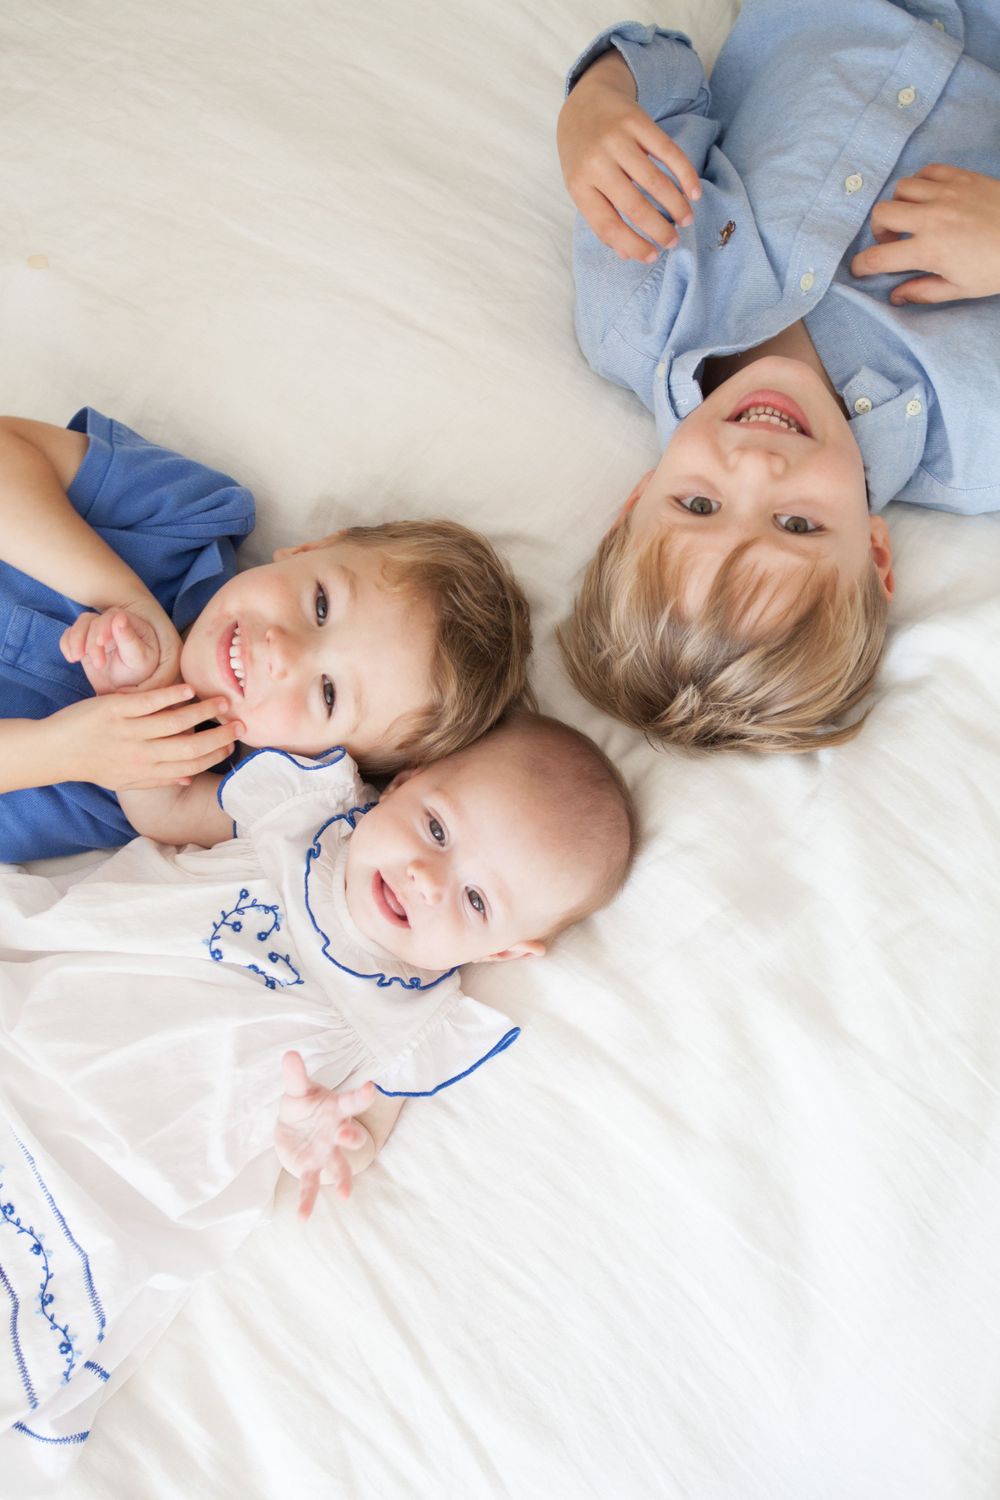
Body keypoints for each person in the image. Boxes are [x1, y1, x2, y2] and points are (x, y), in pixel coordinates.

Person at [0, 710, 636, 1477]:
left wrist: (319, 1134)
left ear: (504, 952)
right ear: (403, 783)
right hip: (38, 1021)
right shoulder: (300, 812)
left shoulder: (409, 1024)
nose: (426, 878)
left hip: (119, 1173)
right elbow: (164, 813)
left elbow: (356, 1139)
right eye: (436, 829)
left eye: (475, 901)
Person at [555, 2, 1000, 751]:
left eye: (699, 504)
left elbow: (663, 70)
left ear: (636, 501)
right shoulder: (978, 441)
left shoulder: (635, 307)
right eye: (797, 525)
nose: (758, 467)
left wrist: (593, 109)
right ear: (876, 557)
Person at [0, 409, 532, 860]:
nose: (284, 652)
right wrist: (121, 595)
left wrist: (69, 751)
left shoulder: (182, 784)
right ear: (310, 550)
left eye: (329, 693)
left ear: (320, 763)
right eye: (321, 604)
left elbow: (168, 811)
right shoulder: (191, 518)